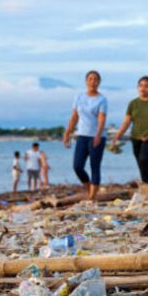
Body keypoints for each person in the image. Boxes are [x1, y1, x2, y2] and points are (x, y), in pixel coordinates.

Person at [111, 76, 148, 201]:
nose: (143, 88)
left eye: (146, 86)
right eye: (141, 85)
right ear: (137, 87)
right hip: (135, 136)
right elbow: (127, 121)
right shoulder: (133, 103)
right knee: (141, 163)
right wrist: (117, 136)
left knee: (145, 159)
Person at [62, 70, 108, 201]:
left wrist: (98, 134)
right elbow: (74, 116)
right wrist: (67, 133)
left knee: (95, 166)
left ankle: (92, 197)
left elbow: (102, 118)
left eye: (95, 79)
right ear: (86, 81)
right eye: (90, 79)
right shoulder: (79, 97)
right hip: (82, 135)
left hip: (97, 136)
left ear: (99, 82)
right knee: (77, 166)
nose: (93, 82)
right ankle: (89, 189)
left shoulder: (102, 99)